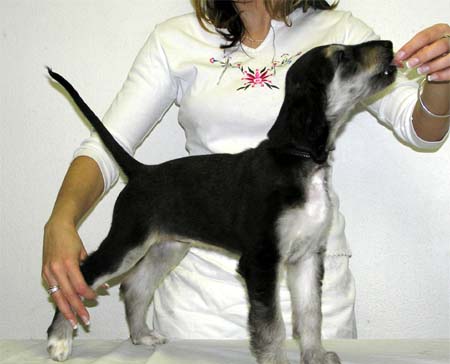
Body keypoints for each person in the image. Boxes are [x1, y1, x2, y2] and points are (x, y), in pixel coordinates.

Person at [42, 0, 449, 338]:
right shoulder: (174, 39)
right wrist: (61, 219)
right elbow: (105, 145)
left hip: (318, 313)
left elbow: (420, 129)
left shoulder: (338, 31)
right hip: (198, 317)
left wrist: (441, 78)